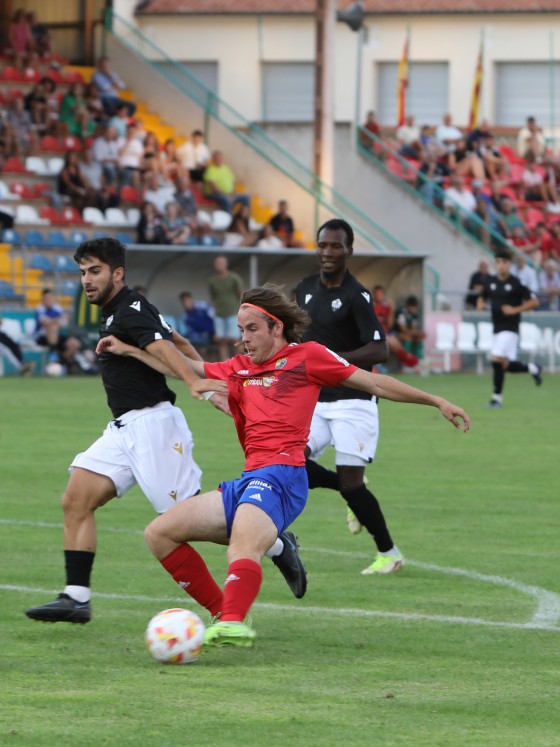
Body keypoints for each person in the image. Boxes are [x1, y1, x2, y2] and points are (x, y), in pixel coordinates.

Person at [97, 285, 469, 646]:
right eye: (241, 330)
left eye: (253, 329)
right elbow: (188, 368)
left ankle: (232, 624)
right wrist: (130, 350)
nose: (245, 338)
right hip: (249, 479)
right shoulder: (239, 367)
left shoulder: (308, 357)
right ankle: (222, 612)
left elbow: (375, 383)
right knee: (159, 533)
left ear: (277, 328)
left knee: (242, 545)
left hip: (284, 476)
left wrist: (435, 400)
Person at [23, 238, 306, 625]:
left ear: (117, 274)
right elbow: (179, 341)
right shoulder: (118, 311)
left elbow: (161, 345)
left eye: (95, 272)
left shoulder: (130, 308)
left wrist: (194, 383)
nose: (87, 280)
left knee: (182, 522)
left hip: (154, 427)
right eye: (83, 273)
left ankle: (270, 548)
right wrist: (202, 378)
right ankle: (76, 597)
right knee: (76, 499)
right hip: (122, 430)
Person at [295, 219, 407, 575]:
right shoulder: (304, 289)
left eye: (335, 246)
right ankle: (344, 487)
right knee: (290, 461)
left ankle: (389, 553)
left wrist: (334, 361)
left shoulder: (357, 296)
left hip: (353, 400)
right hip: (315, 399)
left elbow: (379, 349)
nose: (327, 252)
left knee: (352, 484)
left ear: (348, 251)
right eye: (322, 245)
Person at [478, 249, 542, 408]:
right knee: (504, 365)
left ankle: (496, 399)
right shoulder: (490, 281)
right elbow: (482, 296)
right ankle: (533, 368)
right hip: (496, 329)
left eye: (504, 262)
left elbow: (534, 302)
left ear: (509, 264)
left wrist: (515, 310)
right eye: (498, 262)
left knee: (495, 358)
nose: (501, 265)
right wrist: (480, 303)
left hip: (510, 329)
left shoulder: (516, 283)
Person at [208, 255, 243, 360]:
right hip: (219, 313)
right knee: (221, 340)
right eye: (218, 263)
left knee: (235, 339)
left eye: (222, 263)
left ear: (226, 264)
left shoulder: (234, 278)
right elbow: (213, 296)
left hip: (232, 312)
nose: (220, 265)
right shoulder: (212, 280)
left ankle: (239, 361)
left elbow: (240, 293)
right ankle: (224, 363)